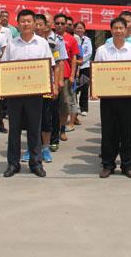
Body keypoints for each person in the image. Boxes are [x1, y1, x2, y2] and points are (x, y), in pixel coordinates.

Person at [2, 10, 55, 178]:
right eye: (22, 21)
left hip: (35, 93)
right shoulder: (11, 44)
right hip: (15, 94)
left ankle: (36, 163)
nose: (25, 24)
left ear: (34, 23)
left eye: (28, 21)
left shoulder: (42, 43)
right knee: (14, 129)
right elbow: (3, 66)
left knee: (34, 128)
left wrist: (51, 85)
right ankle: (13, 163)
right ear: (18, 24)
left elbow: (49, 67)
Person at [94, 17, 131, 179]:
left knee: (127, 132)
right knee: (108, 131)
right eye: (115, 28)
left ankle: (127, 165)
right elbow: (96, 72)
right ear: (111, 30)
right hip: (108, 98)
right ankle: (108, 165)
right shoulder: (102, 50)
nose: (118, 31)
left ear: (126, 30)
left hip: (128, 98)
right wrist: (94, 90)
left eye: (121, 28)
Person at [35, 13, 63, 160]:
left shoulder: (53, 43)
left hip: (47, 84)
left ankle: (46, 147)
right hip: (30, 86)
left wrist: (56, 85)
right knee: (32, 119)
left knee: (47, 117)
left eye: (41, 24)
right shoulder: (24, 42)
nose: (38, 27)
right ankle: (33, 147)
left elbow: (57, 64)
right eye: (36, 24)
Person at [53, 13, 79, 141]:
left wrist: (72, 75)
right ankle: (51, 129)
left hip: (65, 76)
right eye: (57, 23)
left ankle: (62, 129)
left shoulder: (71, 39)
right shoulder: (50, 38)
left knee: (64, 104)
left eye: (62, 23)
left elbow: (74, 58)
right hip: (52, 76)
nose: (60, 25)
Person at [74, 22, 93, 116]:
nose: (79, 30)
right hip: (74, 66)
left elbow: (89, 53)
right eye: (78, 28)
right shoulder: (73, 38)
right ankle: (74, 108)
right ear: (74, 29)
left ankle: (84, 108)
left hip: (85, 66)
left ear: (84, 30)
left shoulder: (87, 40)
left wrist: (81, 60)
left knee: (85, 88)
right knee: (74, 89)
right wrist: (76, 61)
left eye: (81, 28)